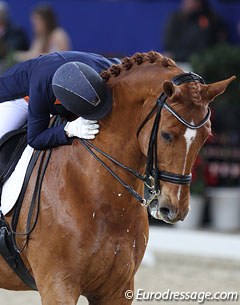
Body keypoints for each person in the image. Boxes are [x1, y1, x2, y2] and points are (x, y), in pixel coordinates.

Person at [0, 51, 120, 150]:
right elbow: (35, 138)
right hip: (18, 97)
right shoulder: (41, 88)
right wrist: (68, 129)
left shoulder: (107, 66)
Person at [164, 0, 228, 62]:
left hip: (201, 63)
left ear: (199, 2)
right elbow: (169, 43)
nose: (187, 3)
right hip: (178, 60)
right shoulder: (176, 18)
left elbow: (209, 46)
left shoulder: (211, 19)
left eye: (192, 1)